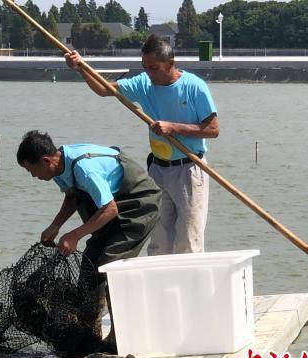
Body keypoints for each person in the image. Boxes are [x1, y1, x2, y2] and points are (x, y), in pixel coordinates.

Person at [65, 34, 219, 255]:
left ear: (171, 64)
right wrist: (81, 67)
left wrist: (173, 127)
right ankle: (161, 286)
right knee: (158, 238)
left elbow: (213, 130)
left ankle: (189, 286)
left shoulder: (194, 87)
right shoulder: (143, 84)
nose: (149, 73)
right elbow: (103, 89)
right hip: (158, 169)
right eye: (145, 67)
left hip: (190, 167)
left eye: (154, 68)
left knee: (188, 238)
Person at [17, 130, 161, 351]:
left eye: (31, 170)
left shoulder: (84, 168)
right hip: (110, 207)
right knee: (89, 266)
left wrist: (74, 235)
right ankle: (90, 332)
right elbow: (73, 196)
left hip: (137, 206)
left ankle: (120, 336)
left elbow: (109, 209)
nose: (33, 176)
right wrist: (56, 226)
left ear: (45, 161)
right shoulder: (59, 166)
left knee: (110, 267)